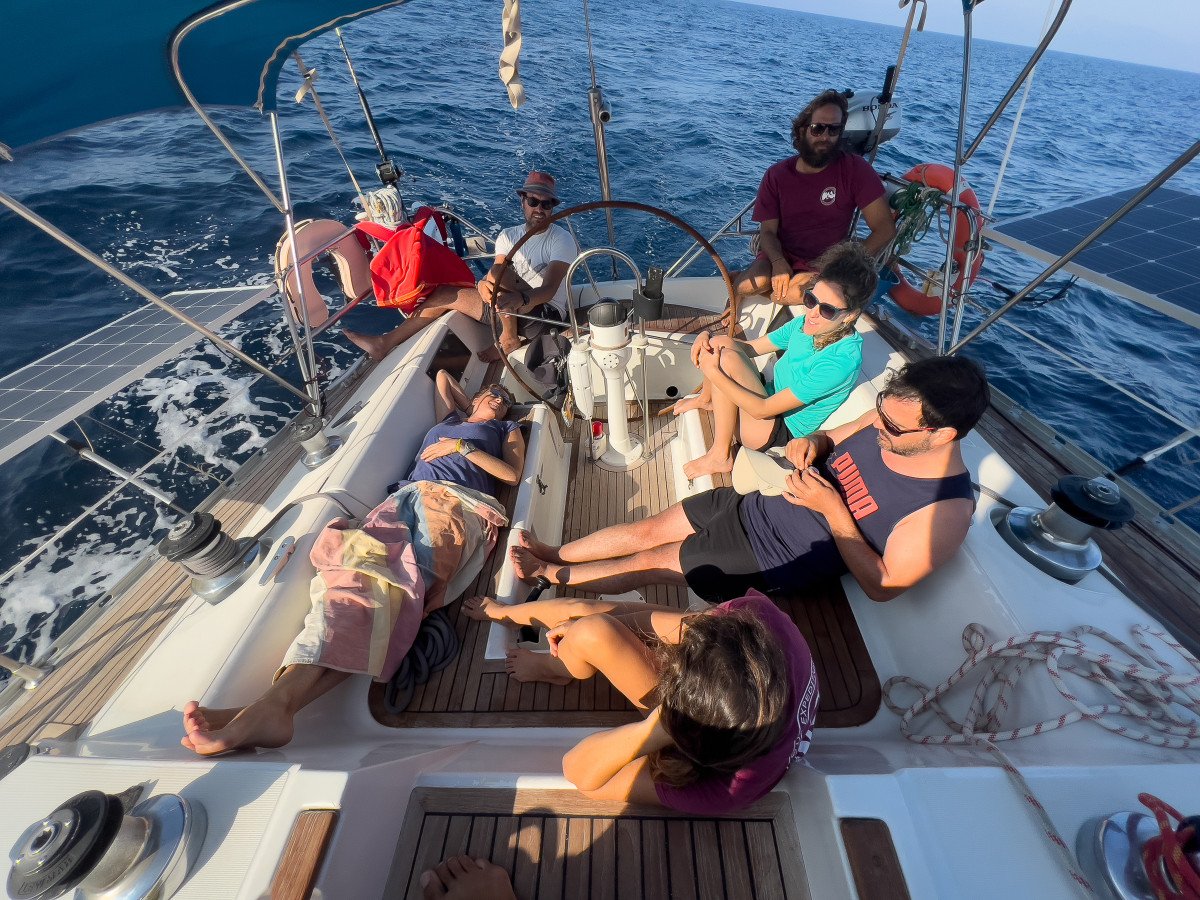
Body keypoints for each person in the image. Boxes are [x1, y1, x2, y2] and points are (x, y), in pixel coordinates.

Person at [180, 371, 524, 756]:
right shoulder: (450, 420)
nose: (502, 399)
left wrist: (462, 445)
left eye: (507, 399)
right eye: (495, 393)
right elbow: (443, 377)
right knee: (351, 579)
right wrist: (470, 406)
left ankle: (268, 707)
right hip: (402, 502)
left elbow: (511, 474)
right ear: (474, 397)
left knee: (392, 593)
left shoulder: (506, 428)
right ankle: (271, 707)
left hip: (455, 509)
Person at [510, 356, 989, 603]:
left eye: (890, 425)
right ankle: (555, 553)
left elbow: (883, 587)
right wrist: (813, 444)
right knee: (646, 529)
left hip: (767, 557)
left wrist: (833, 511)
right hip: (753, 502)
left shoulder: (945, 509)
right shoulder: (887, 418)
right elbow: (829, 438)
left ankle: (551, 576)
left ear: (942, 433)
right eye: (879, 411)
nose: (876, 424)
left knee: (652, 559)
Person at [463, 586, 816, 813]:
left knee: (591, 631)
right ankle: (516, 620)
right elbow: (683, 626)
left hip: (702, 727)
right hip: (718, 705)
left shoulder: (729, 787)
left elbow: (579, 771)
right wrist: (585, 623)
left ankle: (558, 667)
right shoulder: (759, 624)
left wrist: (657, 727)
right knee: (587, 621)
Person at [677, 242, 877, 481]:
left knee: (726, 359)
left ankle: (721, 456)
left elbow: (761, 410)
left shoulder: (841, 361)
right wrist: (708, 338)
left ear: (851, 316)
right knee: (722, 344)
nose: (812, 313)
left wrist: (715, 371)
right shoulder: (806, 326)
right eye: (811, 300)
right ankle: (706, 399)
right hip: (765, 398)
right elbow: (750, 348)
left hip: (776, 430)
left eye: (827, 310)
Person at [345, 171, 578, 362]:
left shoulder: (561, 239)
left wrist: (521, 299)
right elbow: (495, 274)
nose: (539, 209)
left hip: (545, 317)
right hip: (509, 309)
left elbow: (548, 290)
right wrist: (484, 285)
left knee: (499, 275)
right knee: (444, 294)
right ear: (523, 201)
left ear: (553, 207)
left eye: (546, 204)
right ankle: (384, 343)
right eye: (533, 201)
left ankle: (508, 340)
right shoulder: (508, 236)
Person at [734, 90, 895, 306]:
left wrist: (837, 269)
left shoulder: (855, 170)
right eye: (818, 128)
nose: (825, 136)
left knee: (793, 295)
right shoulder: (777, 174)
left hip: (825, 263)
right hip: (781, 253)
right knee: (749, 285)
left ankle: (784, 289)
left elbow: (885, 228)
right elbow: (768, 232)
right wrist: (779, 262)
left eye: (834, 129)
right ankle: (739, 282)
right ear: (802, 130)